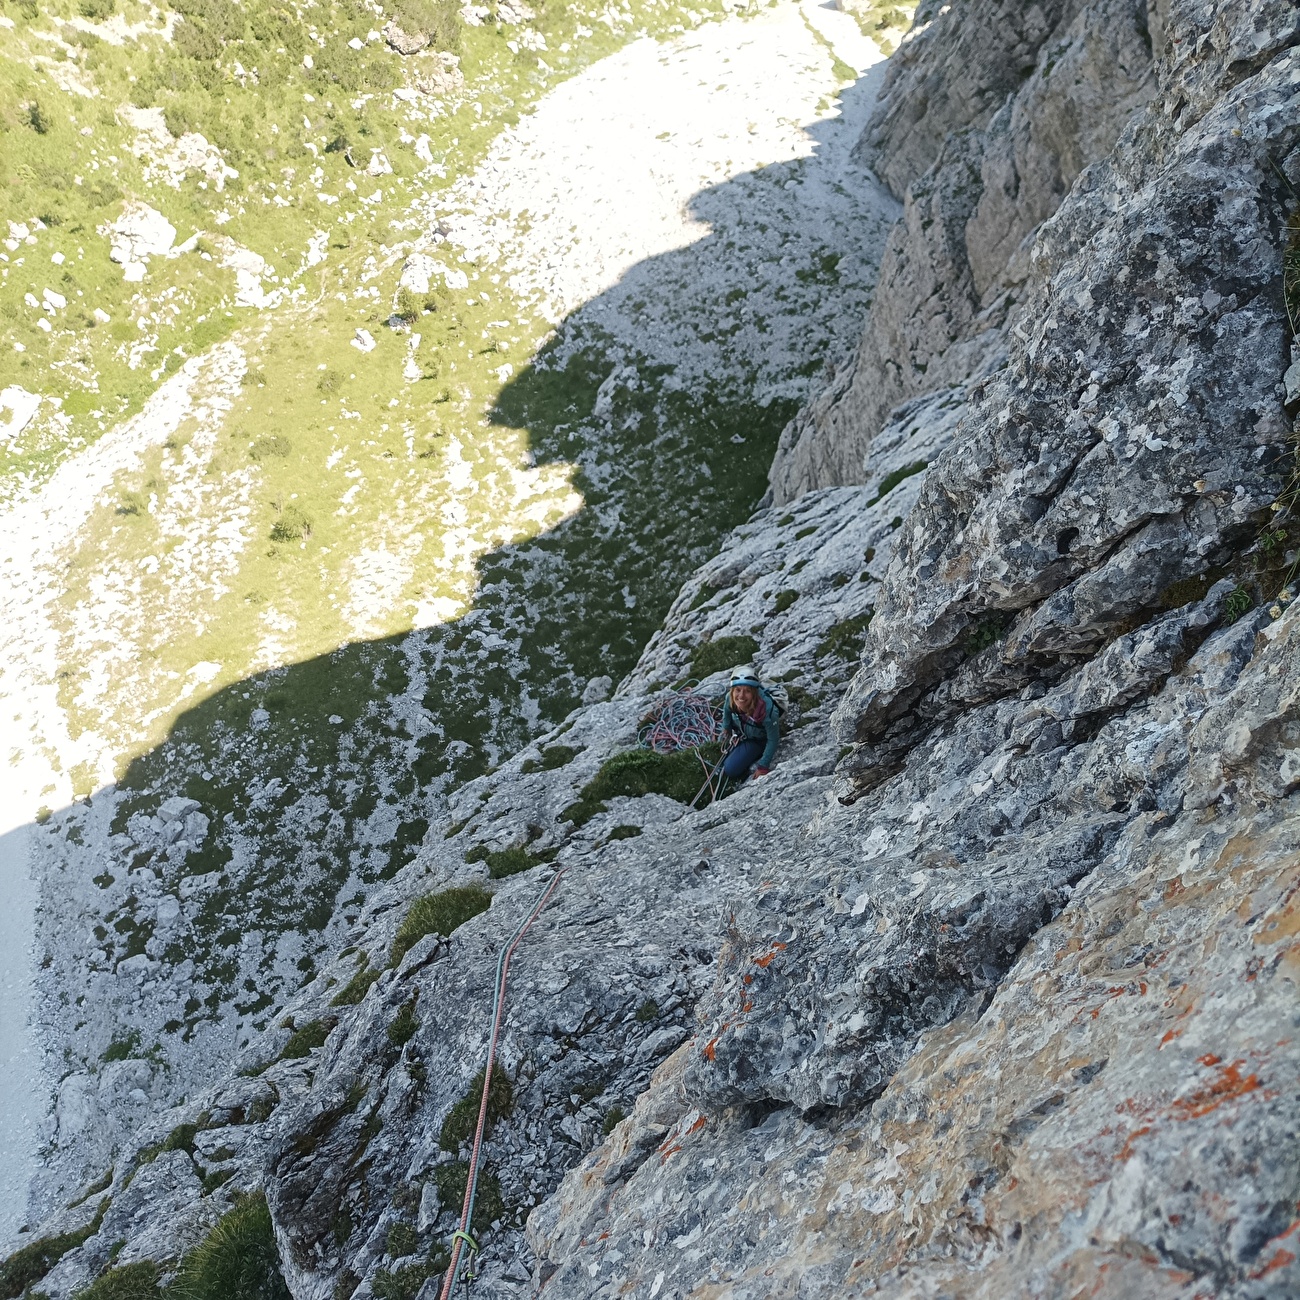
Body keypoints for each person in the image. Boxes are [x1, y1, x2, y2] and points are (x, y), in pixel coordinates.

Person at [720, 666, 780, 783]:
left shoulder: (767, 710)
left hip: (758, 740)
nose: (741, 696)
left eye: (747, 691)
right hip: (742, 732)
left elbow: (773, 739)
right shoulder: (730, 698)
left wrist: (763, 766)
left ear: (754, 693)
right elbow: (726, 710)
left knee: (730, 769)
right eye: (738, 690)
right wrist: (726, 727)